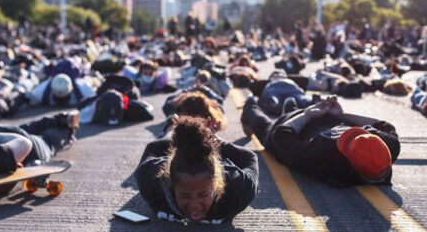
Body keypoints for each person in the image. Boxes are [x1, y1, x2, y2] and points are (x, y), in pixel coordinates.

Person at [241, 95, 400, 187]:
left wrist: (308, 115)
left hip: (297, 124)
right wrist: (341, 115)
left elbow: (281, 134)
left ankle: (250, 108)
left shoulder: (320, 159)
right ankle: (292, 106)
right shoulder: (388, 145)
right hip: (327, 116)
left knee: (268, 134)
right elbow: (383, 125)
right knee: (294, 107)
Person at [135, 116, 259, 224]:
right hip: (173, 156)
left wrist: (216, 142)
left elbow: (250, 157)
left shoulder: (239, 190)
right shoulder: (150, 181)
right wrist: (181, 142)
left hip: (218, 155)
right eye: (185, 196)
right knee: (169, 135)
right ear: (170, 183)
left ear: (216, 184)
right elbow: (153, 147)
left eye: (203, 194)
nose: (194, 205)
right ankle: (170, 127)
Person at [0, 111, 79, 193]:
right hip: (21, 142)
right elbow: (23, 144)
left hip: (21, 143)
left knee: (47, 137)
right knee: (46, 134)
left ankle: (64, 123)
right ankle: (62, 122)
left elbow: (24, 144)